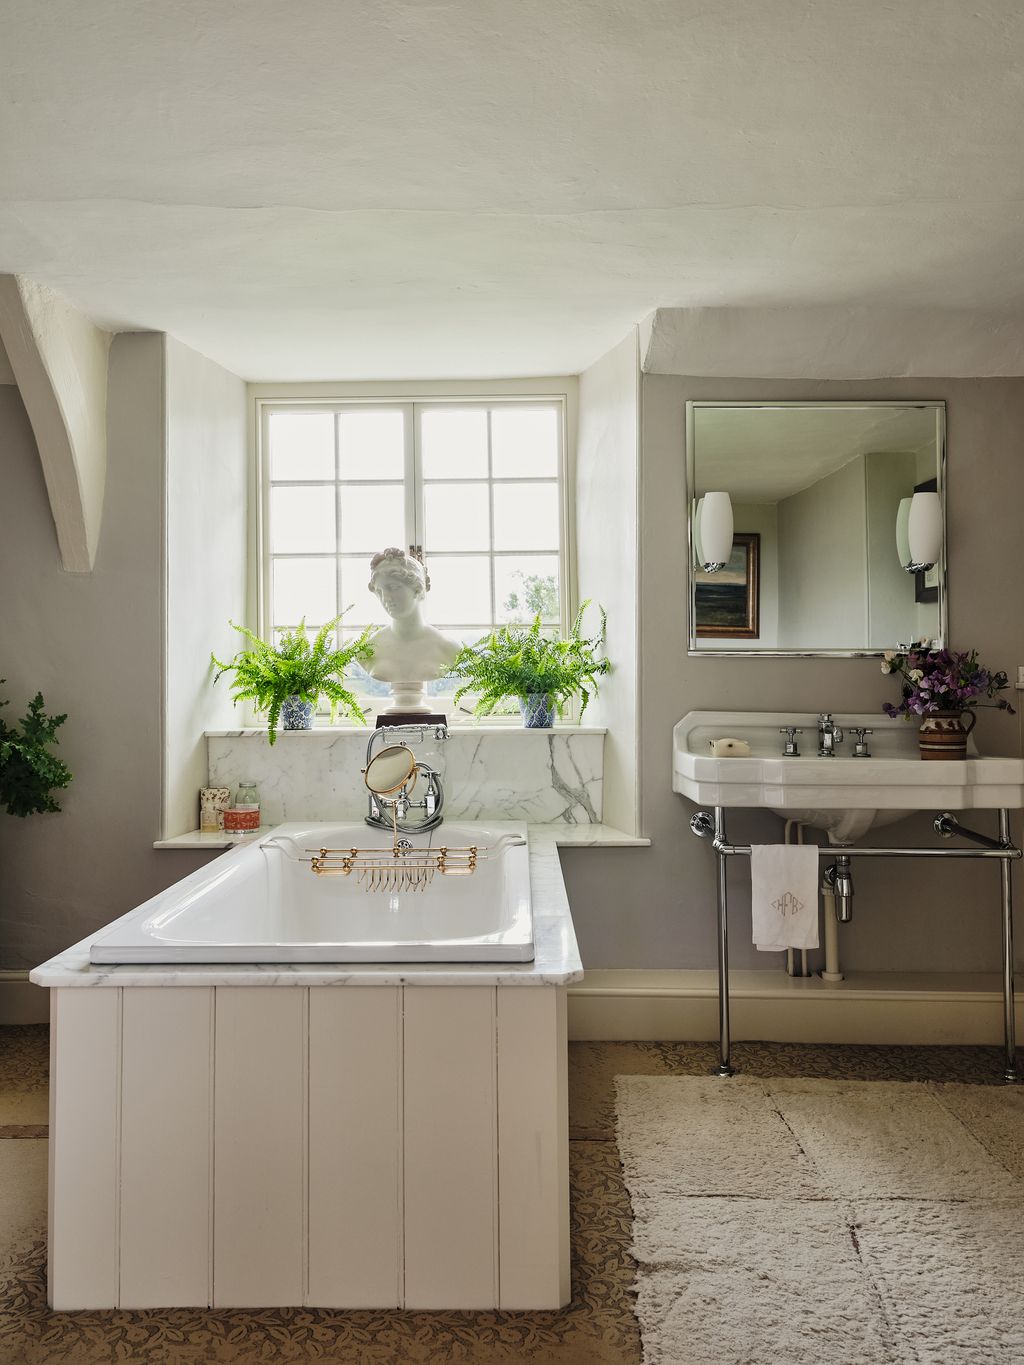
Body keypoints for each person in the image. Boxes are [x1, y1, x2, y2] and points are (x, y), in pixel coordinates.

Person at [365, 549, 459, 709]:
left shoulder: (448, 647)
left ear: (417, 588)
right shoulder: (368, 649)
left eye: (393, 587)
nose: (385, 597)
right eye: (380, 591)